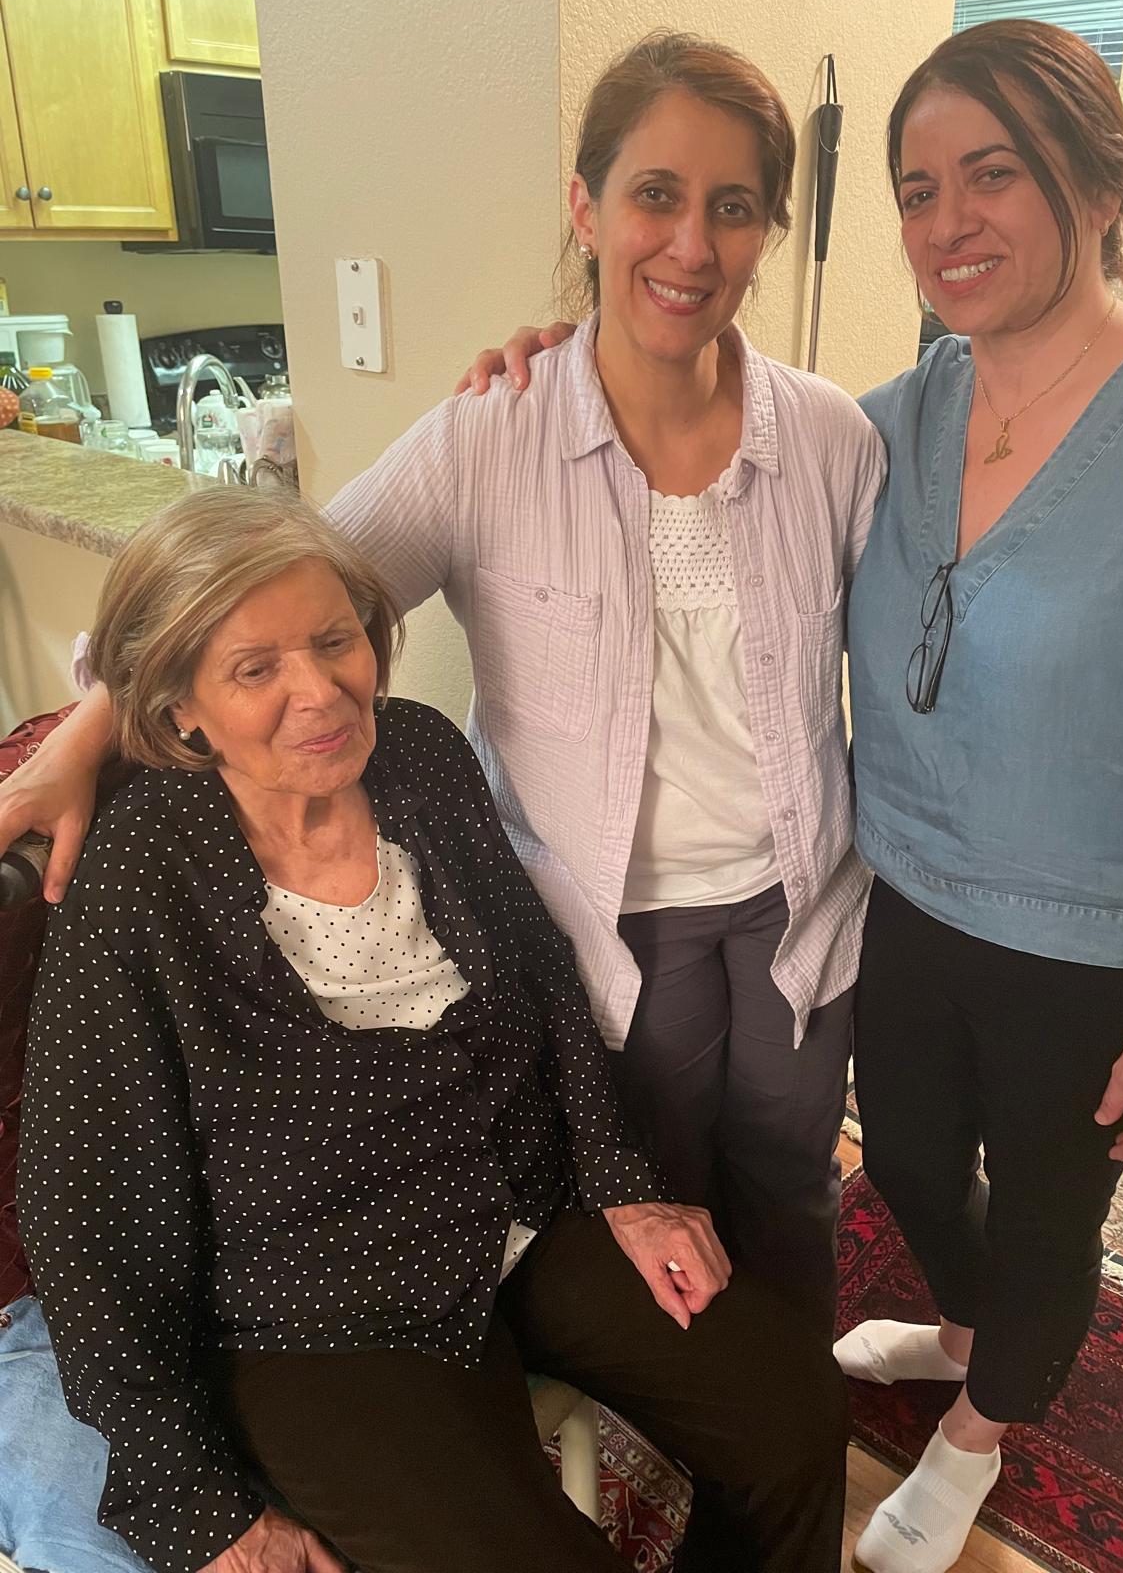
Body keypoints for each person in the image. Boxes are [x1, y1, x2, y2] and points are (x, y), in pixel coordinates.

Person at [452, 17, 1123, 1573]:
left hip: (1094, 936)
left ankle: (982, 1439)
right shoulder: (896, 420)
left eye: (994, 176)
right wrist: (555, 361)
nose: (948, 224)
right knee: (913, 1166)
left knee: (1052, 1209)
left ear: (1101, 183)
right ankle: (964, 1328)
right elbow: (723, 429)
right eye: (919, 191)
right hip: (901, 897)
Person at [3, 32, 884, 1344]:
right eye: (656, 194)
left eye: (734, 206)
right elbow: (262, 588)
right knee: (667, 1214)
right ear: (586, 208)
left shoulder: (829, 437)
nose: (691, 244)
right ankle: (696, 1453)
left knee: (793, 1195)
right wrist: (89, 732)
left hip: (799, 904)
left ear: (769, 233)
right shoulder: (494, 433)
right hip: (611, 924)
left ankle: (787, 1434)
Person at [18, 487, 850, 1573]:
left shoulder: (417, 755)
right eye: (256, 669)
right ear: (183, 709)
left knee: (792, 1407)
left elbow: (545, 978)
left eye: (336, 640)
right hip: (316, 1312)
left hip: (520, 1205)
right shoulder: (141, 874)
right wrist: (197, 1507)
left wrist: (621, 1180)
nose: (319, 692)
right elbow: (85, 1206)